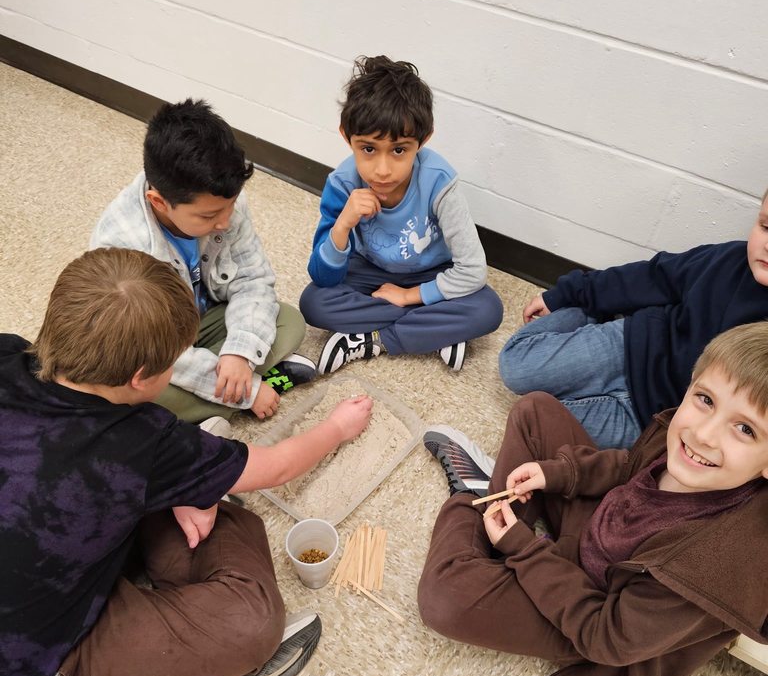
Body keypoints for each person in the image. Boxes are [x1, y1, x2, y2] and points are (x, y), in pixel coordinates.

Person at [0, 249, 372, 676]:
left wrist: (184, 480)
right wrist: (337, 428)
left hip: (39, 556)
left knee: (201, 503)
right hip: (23, 671)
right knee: (251, 614)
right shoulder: (141, 437)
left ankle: (185, 488)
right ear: (141, 377)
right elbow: (279, 466)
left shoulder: (8, 351)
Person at [419, 322, 768, 676]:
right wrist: (562, 473)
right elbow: (630, 467)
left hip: (594, 614)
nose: (703, 434)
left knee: (445, 598)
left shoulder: (710, 568)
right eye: (705, 400)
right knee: (535, 410)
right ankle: (495, 515)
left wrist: (523, 549)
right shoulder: (681, 439)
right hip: (596, 534)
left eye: (746, 430)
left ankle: (471, 500)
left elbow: (607, 637)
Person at [91, 98, 316, 425]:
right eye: (209, 215)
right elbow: (151, 350)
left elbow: (253, 282)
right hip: (153, 348)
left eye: (231, 205)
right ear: (159, 202)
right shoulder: (120, 246)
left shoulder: (223, 202)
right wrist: (249, 389)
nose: (226, 221)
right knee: (128, 394)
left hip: (203, 319)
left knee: (289, 321)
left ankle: (200, 412)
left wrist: (239, 352)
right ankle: (235, 397)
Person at [498, 193, 768, 449]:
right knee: (515, 368)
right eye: (766, 227)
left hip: (648, 419)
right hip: (632, 346)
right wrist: (568, 294)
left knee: (533, 422)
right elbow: (651, 277)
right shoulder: (727, 260)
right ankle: (591, 312)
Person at [300, 56, 503, 374]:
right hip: (371, 269)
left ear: (423, 140)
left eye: (399, 150)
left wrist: (410, 296)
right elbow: (322, 276)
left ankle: (376, 340)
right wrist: (344, 224)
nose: (382, 170)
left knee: (488, 309)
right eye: (368, 149)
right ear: (346, 136)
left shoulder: (438, 181)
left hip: (431, 272)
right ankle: (438, 329)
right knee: (313, 303)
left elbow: (473, 270)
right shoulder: (342, 182)